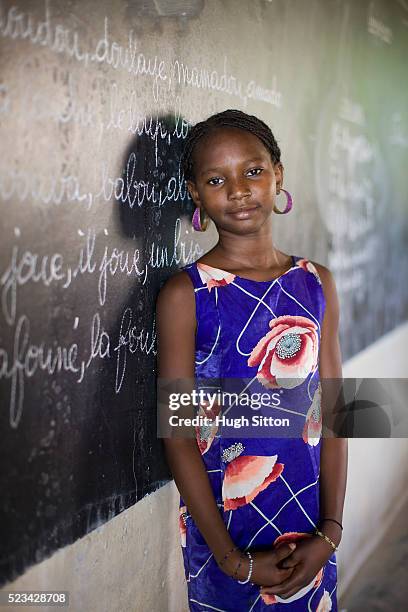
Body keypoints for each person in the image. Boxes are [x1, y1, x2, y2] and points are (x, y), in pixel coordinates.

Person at [156, 109, 348, 611]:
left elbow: (338, 412)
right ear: (196, 195)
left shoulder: (317, 282)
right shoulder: (185, 294)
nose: (238, 189)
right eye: (216, 179)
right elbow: (176, 435)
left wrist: (330, 531)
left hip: (309, 527)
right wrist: (232, 560)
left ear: (277, 174)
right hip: (224, 534)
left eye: (253, 171)